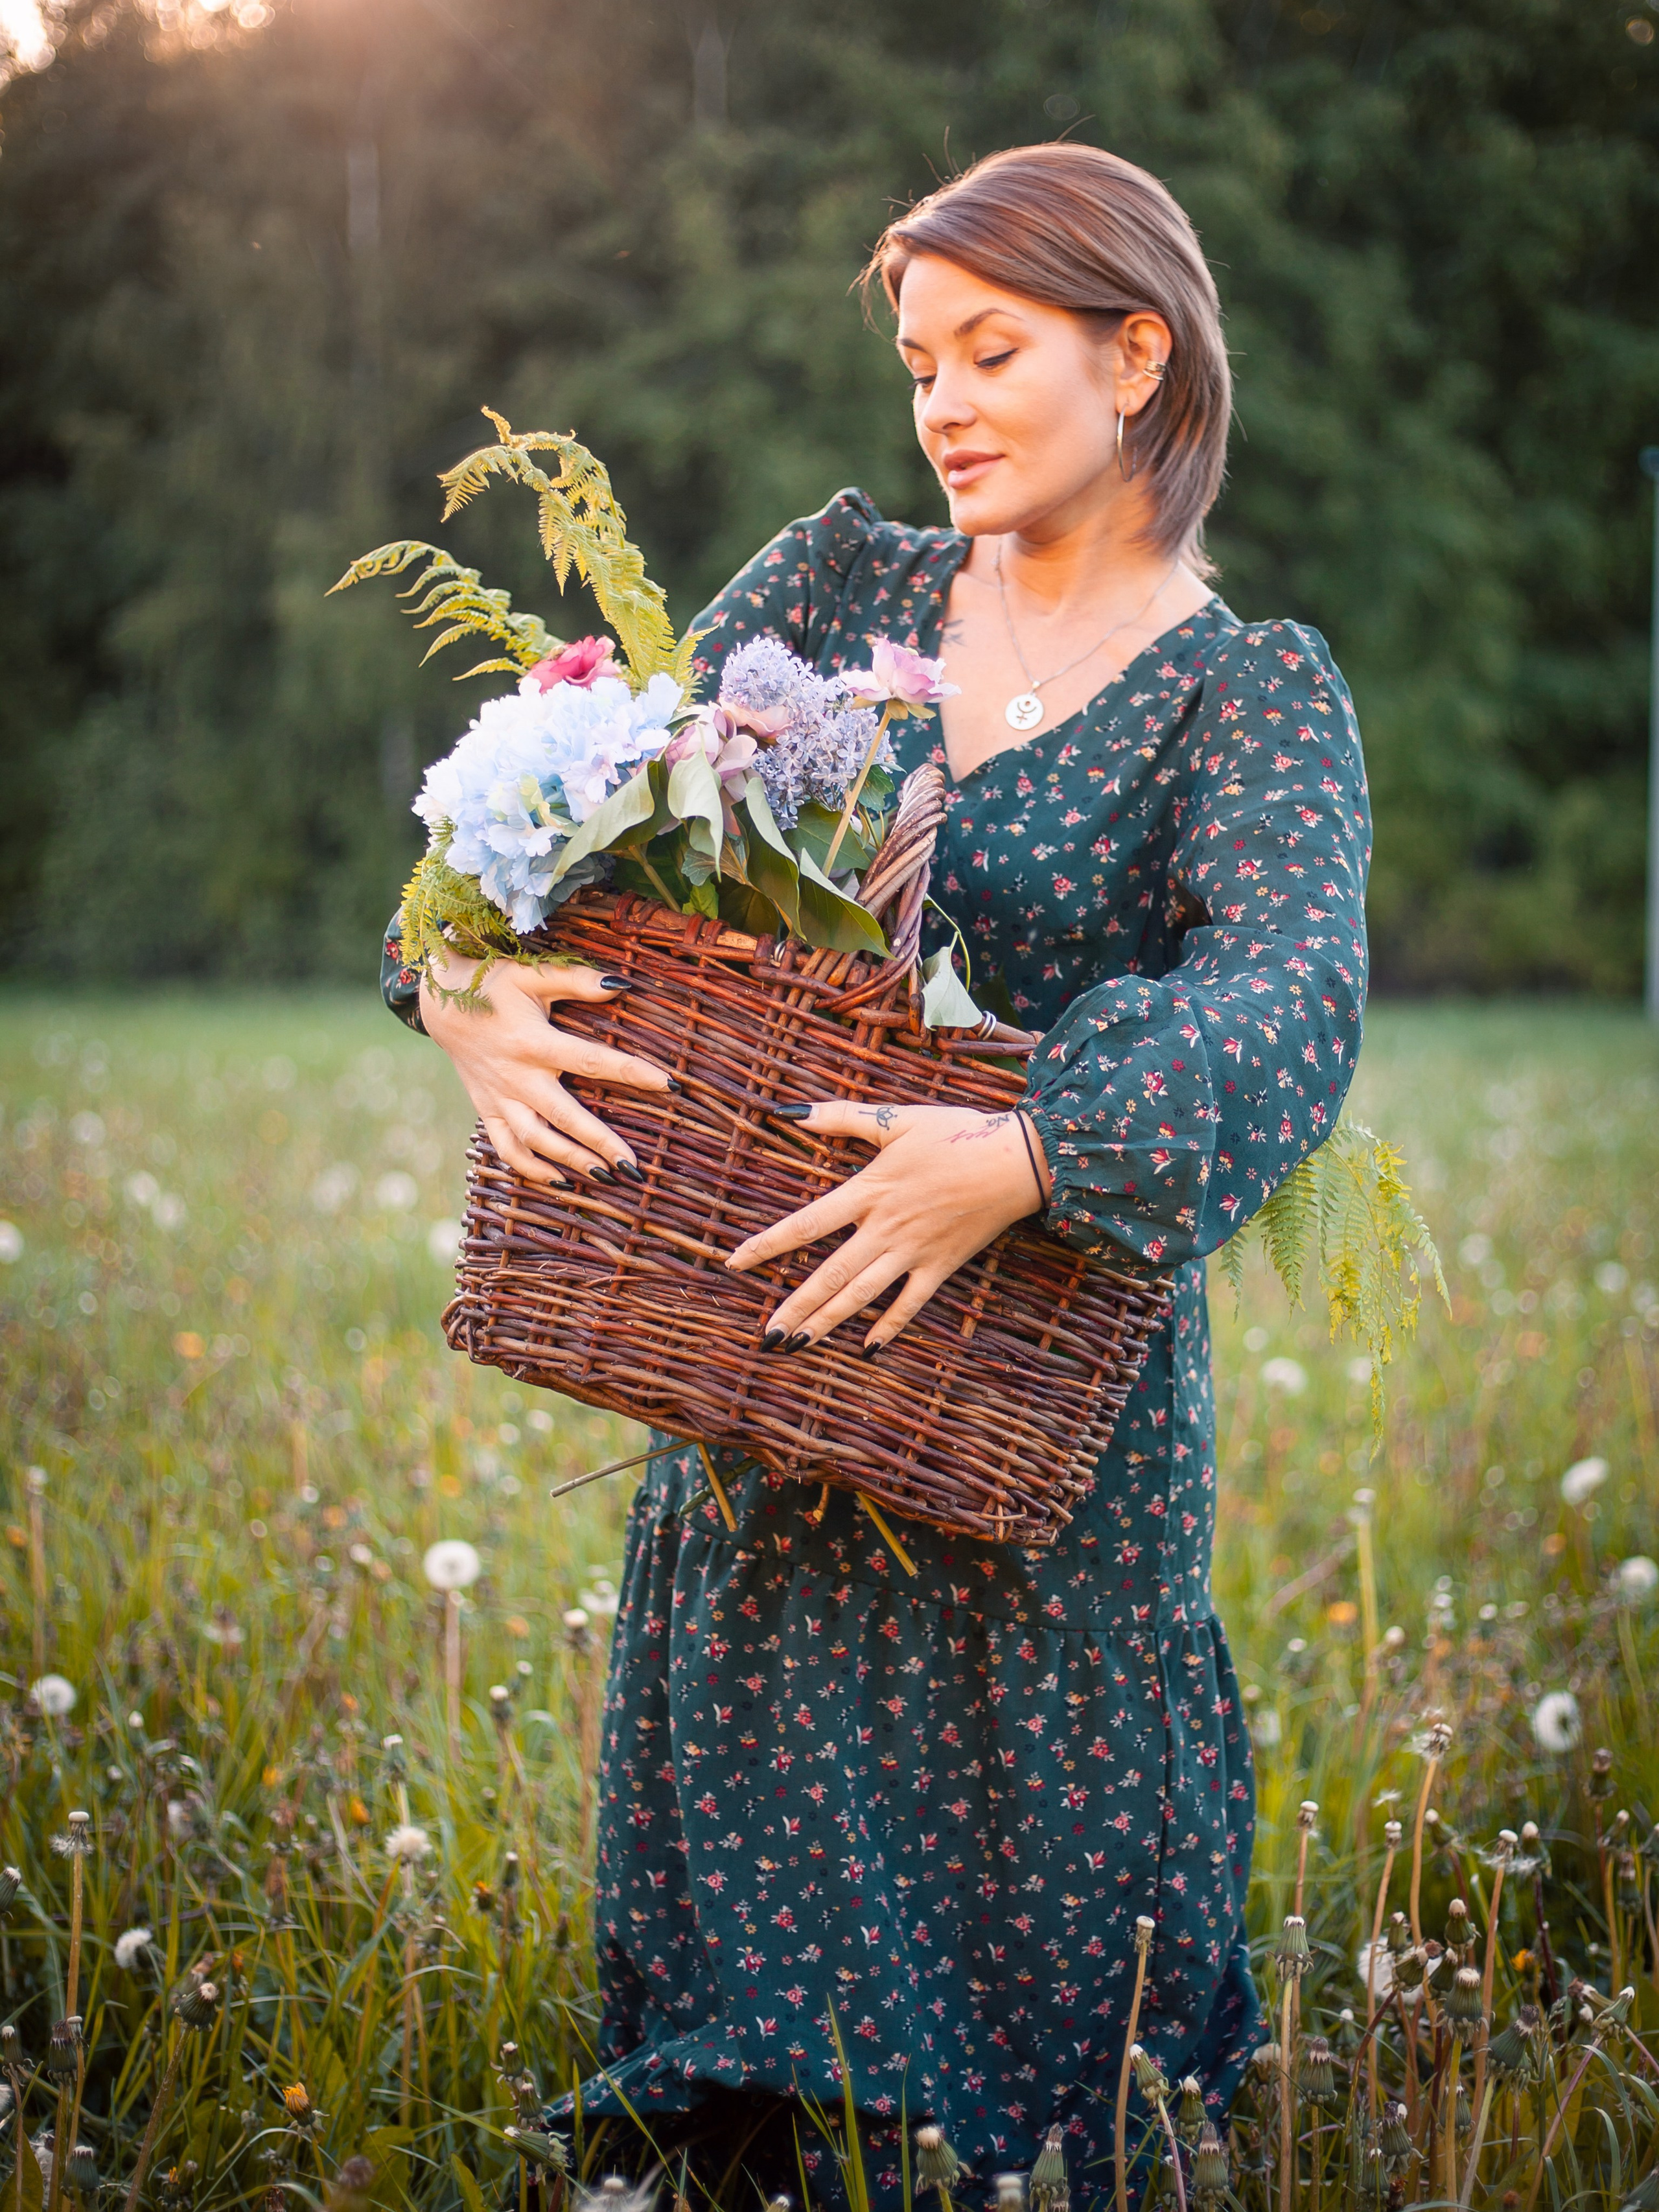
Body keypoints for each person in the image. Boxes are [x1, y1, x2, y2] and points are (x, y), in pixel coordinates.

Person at [384, 141, 1369, 2206]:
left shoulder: (1244, 697)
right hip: (767, 1334)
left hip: (1036, 1406)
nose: (940, 402)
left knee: (1048, 2021)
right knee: (754, 1915)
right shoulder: (840, 588)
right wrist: (456, 980)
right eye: (920, 359)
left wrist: (1021, 1153)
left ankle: (1030, 2128)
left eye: (991, 350)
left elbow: (1291, 1001)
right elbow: (572, 794)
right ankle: (739, 2118)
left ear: (1140, 354)